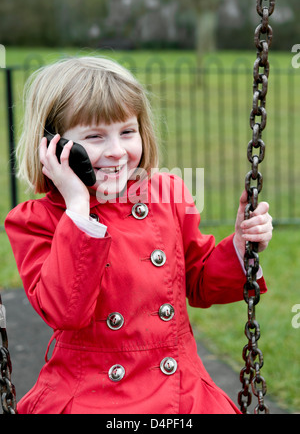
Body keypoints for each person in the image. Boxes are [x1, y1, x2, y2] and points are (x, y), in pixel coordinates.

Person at [5, 56, 272, 414]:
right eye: (95, 136)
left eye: (127, 132)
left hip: (180, 390)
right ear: (52, 146)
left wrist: (241, 244)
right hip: (92, 394)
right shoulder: (37, 221)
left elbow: (198, 281)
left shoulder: (168, 194)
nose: (116, 151)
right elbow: (66, 311)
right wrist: (78, 209)